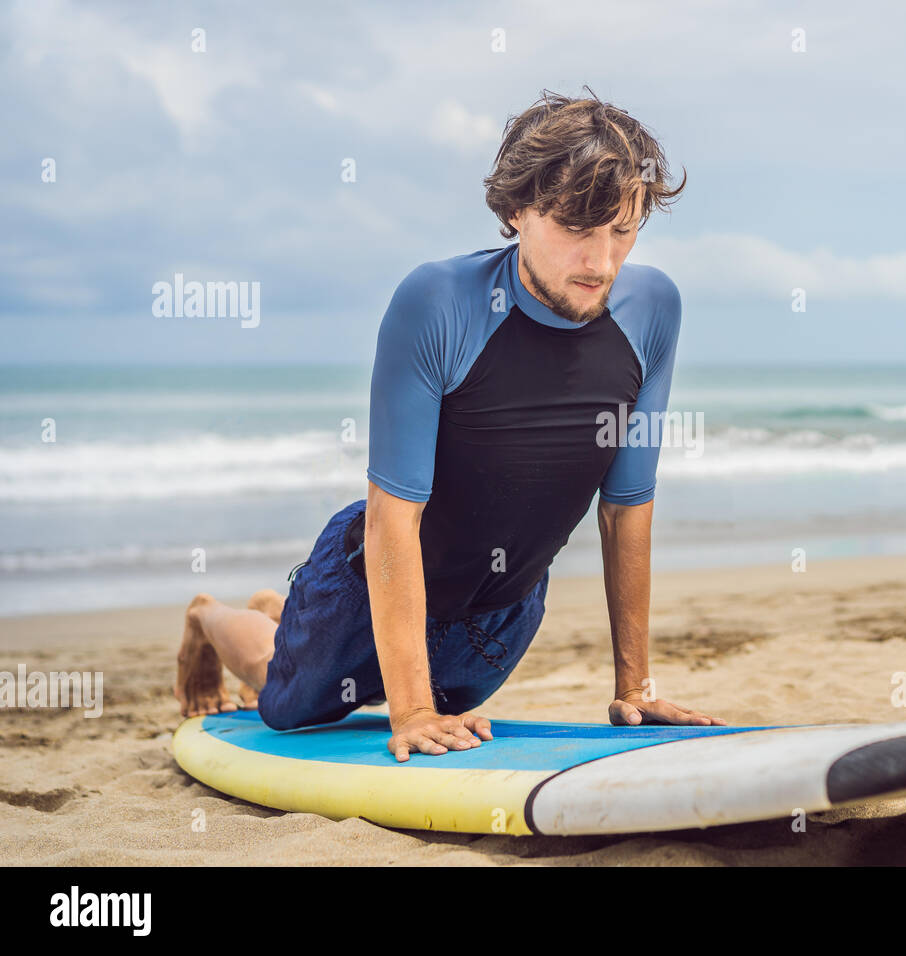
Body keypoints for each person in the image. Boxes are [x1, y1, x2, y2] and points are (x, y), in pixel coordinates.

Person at [175, 88, 725, 761]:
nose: (602, 262)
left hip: (500, 621)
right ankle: (214, 616)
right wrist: (408, 711)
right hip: (365, 584)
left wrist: (636, 688)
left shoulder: (653, 310)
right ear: (517, 209)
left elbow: (626, 507)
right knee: (284, 706)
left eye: (621, 229)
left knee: (452, 703)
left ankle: (286, 614)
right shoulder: (436, 302)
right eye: (577, 229)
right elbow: (391, 520)